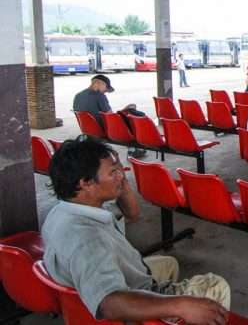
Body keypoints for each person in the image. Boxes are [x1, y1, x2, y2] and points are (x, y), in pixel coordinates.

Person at [42, 137, 230, 324]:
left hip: (117, 274)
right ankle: (164, 316)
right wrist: (181, 304)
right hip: (125, 298)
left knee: (168, 263)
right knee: (216, 286)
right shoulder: (88, 239)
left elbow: (132, 213)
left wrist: (118, 178)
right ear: (87, 183)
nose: (120, 175)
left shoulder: (65, 210)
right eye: (113, 172)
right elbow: (110, 303)